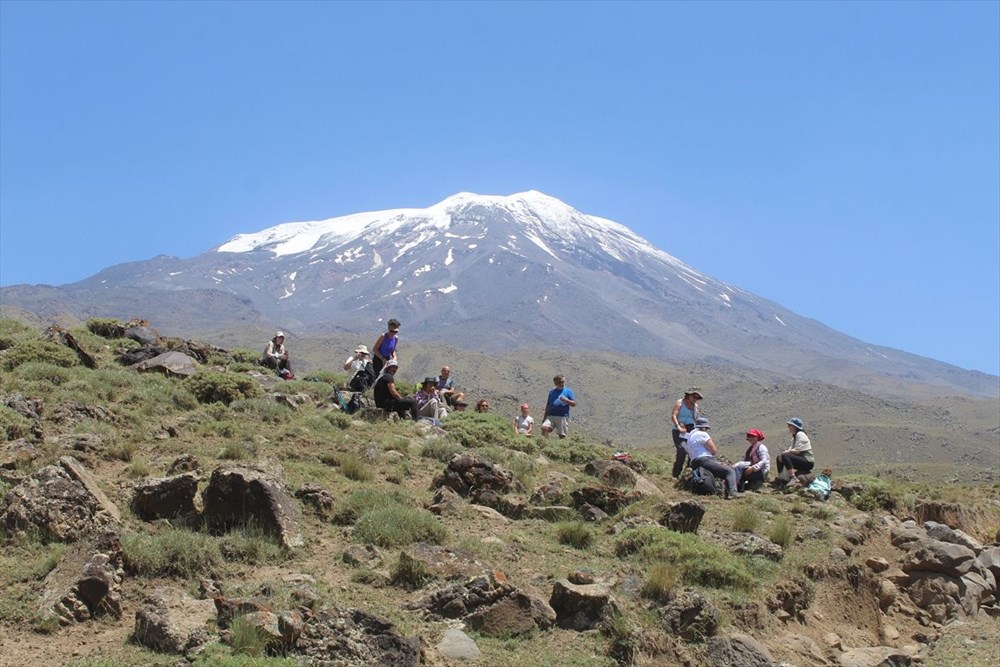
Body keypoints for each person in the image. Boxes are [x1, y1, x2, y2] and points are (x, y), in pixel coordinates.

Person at [683, 418, 741, 499]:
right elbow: (713, 450)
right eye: (706, 428)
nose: (706, 430)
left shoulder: (690, 437)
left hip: (694, 462)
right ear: (703, 427)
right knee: (729, 471)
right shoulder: (703, 434)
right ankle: (733, 492)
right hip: (704, 459)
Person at [670, 388, 703, 478]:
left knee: (692, 450)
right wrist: (678, 426)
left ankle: (688, 473)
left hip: (691, 429)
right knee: (682, 450)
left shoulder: (695, 407)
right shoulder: (680, 402)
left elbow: (696, 419)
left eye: (697, 397)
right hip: (678, 429)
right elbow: (674, 415)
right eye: (694, 396)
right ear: (689, 396)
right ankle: (676, 473)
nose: (695, 399)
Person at [776, 417, 815, 484]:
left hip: (807, 461)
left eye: (789, 425)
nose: (788, 427)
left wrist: (784, 453)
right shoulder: (796, 436)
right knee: (780, 457)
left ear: (794, 426)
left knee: (785, 456)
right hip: (803, 460)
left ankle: (792, 477)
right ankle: (782, 478)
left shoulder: (800, 434)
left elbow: (797, 450)